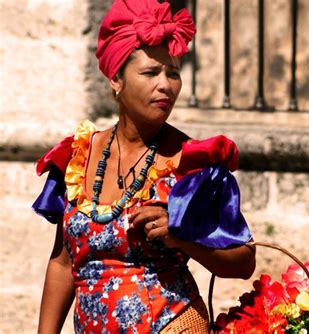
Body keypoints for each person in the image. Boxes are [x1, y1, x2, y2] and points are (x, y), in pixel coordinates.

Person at [33, 0, 256, 332]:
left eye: (173, 73)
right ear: (116, 80)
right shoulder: (76, 158)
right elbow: (64, 263)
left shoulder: (194, 166)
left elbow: (243, 261)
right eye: (151, 72)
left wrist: (181, 237)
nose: (165, 85)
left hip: (171, 323)